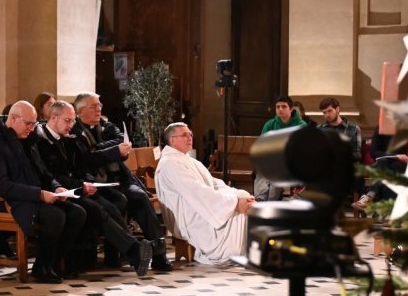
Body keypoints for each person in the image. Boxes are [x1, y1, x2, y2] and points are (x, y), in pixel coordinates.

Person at [34, 100, 152, 276]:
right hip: (58, 192)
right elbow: (51, 176)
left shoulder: (66, 138)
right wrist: (81, 185)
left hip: (75, 188)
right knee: (96, 209)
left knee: (112, 204)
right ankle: (135, 251)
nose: (72, 125)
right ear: (54, 117)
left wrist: (87, 182)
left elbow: (82, 165)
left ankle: (132, 253)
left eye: (73, 121)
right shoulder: (40, 141)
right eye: (68, 120)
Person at [0, 100, 86, 283]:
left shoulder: (27, 140)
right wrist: (39, 194)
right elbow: (2, 186)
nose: (32, 128)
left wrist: (55, 187)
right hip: (9, 201)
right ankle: (42, 268)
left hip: (30, 195)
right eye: (29, 123)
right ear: (13, 118)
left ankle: (52, 263)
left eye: (34, 124)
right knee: (55, 216)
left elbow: (43, 172)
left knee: (77, 212)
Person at [71, 92, 171, 271]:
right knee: (119, 200)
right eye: (94, 106)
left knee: (139, 197)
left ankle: (159, 255)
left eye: (99, 105)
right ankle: (124, 253)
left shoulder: (107, 126)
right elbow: (87, 159)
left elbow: (121, 141)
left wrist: (98, 148)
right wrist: (113, 151)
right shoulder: (75, 131)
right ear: (80, 111)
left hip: (120, 178)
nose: (99, 109)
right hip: (96, 182)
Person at [155, 123, 253, 267]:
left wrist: (238, 196)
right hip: (189, 217)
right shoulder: (169, 164)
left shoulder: (189, 161)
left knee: (242, 196)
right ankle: (234, 252)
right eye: (184, 135)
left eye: (190, 134)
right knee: (236, 211)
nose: (190, 137)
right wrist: (234, 203)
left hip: (200, 207)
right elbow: (197, 191)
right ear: (172, 140)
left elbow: (214, 184)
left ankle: (251, 251)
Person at [256, 95, 308, 200]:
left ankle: (271, 201)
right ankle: (260, 199)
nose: (280, 109)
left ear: (291, 109)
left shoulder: (301, 125)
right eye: (277, 107)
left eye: (284, 106)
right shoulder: (270, 124)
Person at [317, 97, 362, 164]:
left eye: (330, 111)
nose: (327, 115)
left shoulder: (353, 128)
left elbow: (357, 155)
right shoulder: (319, 129)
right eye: (324, 112)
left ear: (337, 109)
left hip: (345, 167)